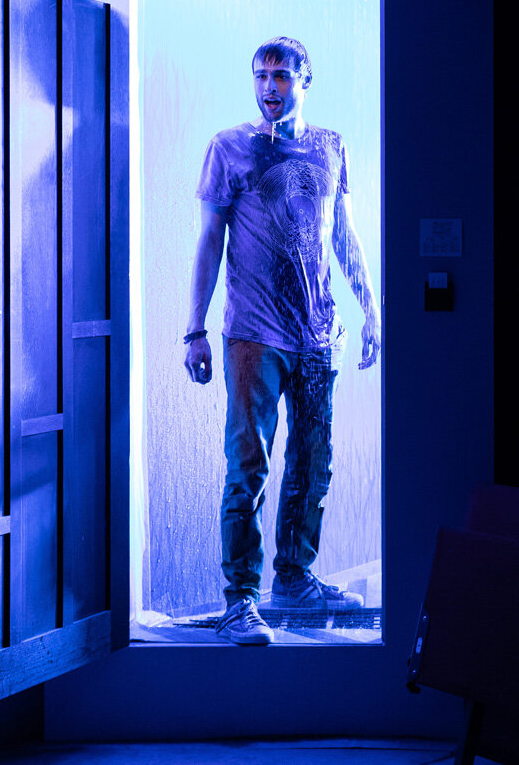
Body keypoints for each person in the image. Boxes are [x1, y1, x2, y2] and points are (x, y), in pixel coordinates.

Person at [184, 36, 380, 646]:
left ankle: (294, 579)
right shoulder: (229, 148)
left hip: (318, 333)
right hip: (254, 335)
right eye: (260, 75)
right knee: (249, 465)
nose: (269, 86)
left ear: (305, 79)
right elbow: (209, 240)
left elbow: (343, 232)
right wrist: (194, 330)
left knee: (313, 461)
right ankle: (240, 600)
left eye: (281, 75)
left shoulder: (330, 146)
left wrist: (372, 309)